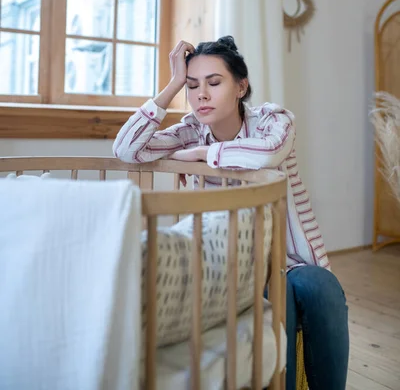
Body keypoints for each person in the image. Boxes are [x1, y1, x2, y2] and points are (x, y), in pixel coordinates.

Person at [113, 36, 349, 390]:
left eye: (214, 82)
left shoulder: (274, 120)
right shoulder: (191, 130)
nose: (201, 95)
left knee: (322, 285)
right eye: (193, 86)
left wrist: (199, 156)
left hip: (286, 259)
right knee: (274, 299)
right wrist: (173, 84)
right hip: (224, 264)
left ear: (241, 86)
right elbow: (126, 150)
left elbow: (267, 153)